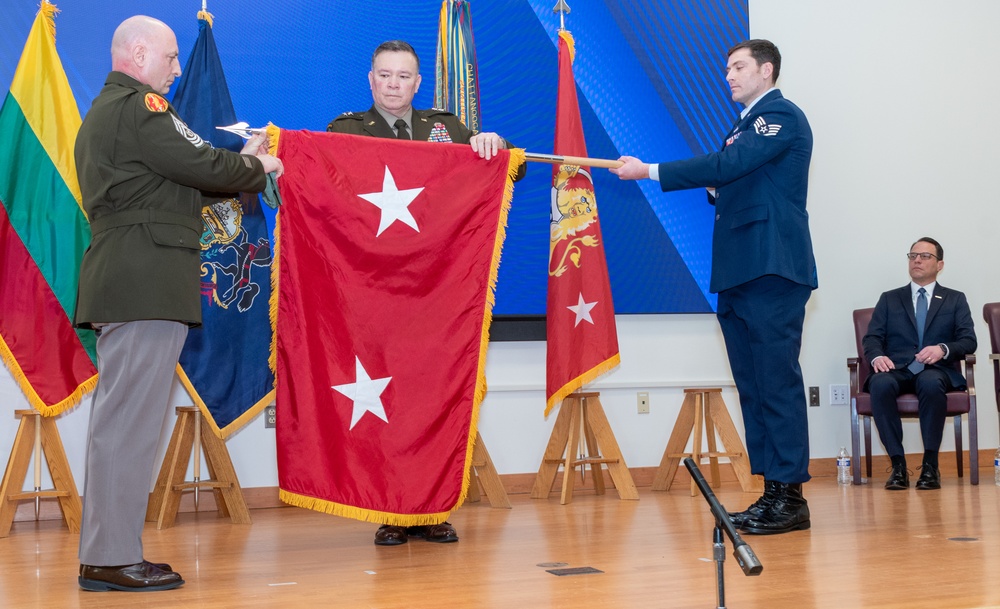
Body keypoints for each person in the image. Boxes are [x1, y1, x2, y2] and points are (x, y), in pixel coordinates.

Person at [74, 15, 282, 592]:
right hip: (144, 279)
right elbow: (201, 164)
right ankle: (111, 558)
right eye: (169, 57)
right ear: (138, 55)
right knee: (128, 426)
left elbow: (183, 177)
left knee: (124, 423)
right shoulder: (141, 108)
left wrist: (237, 158)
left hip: (131, 276)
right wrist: (258, 165)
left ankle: (108, 552)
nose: (177, 68)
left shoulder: (110, 113)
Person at [611, 39, 816, 535]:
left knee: (776, 383)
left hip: (771, 268)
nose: (729, 75)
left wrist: (650, 171)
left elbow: (727, 166)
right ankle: (772, 494)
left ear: (767, 71)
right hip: (741, 271)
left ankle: (791, 498)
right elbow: (733, 178)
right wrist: (715, 184)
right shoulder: (744, 127)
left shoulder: (780, 115)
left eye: (739, 66)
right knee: (753, 385)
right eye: (728, 68)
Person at [327, 39, 524, 546]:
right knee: (385, 402)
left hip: (435, 295)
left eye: (404, 77)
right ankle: (393, 510)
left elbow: (497, 174)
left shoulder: (450, 129)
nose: (394, 85)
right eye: (385, 76)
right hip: (373, 295)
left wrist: (496, 145)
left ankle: (431, 508)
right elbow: (327, 196)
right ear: (370, 80)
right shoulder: (345, 131)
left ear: (419, 83)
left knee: (430, 402)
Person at [862, 237, 976, 491]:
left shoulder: (955, 299)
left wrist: (943, 349)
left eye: (925, 256)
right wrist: (877, 356)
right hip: (898, 368)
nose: (917, 260)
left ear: (940, 264)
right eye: (913, 255)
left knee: (930, 382)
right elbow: (872, 337)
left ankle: (930, 465)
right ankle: (898, 465)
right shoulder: (890, 298)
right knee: (880, 384)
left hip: (936, 369)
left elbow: (968, 340)